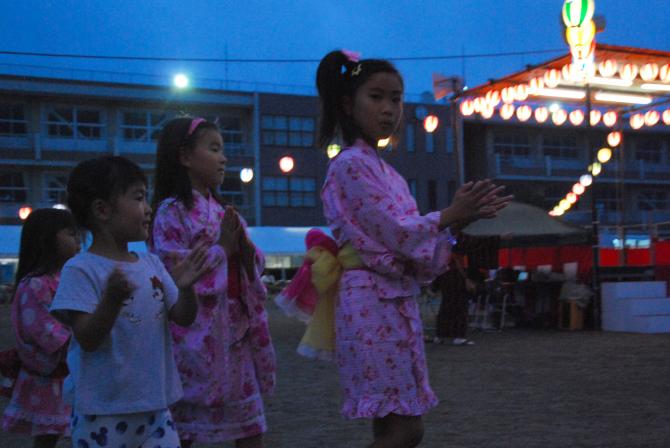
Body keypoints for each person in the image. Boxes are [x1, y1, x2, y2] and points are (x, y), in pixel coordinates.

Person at [315, 49, 513, 448]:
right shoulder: (349, 165)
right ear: (347, 104)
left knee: (391, 426)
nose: (389, 108)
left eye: (396, 98)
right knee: (407, 429)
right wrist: (448, 214)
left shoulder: (387, 172)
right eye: (377, 96)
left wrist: (455, 221)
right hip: (370, 302)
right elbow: (398, 232)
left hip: (392, 302)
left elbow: (419, 252)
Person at [50, 156, 211, 447]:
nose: (148, 209)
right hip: (101, 413)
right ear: (102, 209)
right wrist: (111, 300)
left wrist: (187, 289)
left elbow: (183, 317)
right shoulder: (81, 269)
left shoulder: (151, 264)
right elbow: (86, 337)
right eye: (138, 198)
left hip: (156, 409)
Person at [150, 117, 276, 448]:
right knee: (184, 429)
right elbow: (174, 271)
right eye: (214, 148)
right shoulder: (170, 212)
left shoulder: (222, 210)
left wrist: (246, 254)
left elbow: (252, 261)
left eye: (223, 149)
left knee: (250, 427)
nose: (224, 158)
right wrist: (223, 249)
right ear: (185, 157)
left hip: (235, 329)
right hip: (197, 331)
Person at [1, 209, 79, 448]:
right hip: (52, 373)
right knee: (50, 433)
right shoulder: (36, 284)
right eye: (70, 233)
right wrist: (82, 341)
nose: (78, 239)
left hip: (63, 369)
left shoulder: (58, 278)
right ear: (48, 239)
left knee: (52, 433)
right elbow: (45, 330)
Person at [432, 234, 502, 345]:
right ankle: (458, 335)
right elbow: (457, 259)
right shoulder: (457, 243)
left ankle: (441, 335)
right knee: (460, 306)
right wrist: (466, 278)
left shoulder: (444, 240)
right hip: (456, 278)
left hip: (445, 276)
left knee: (446, 306)